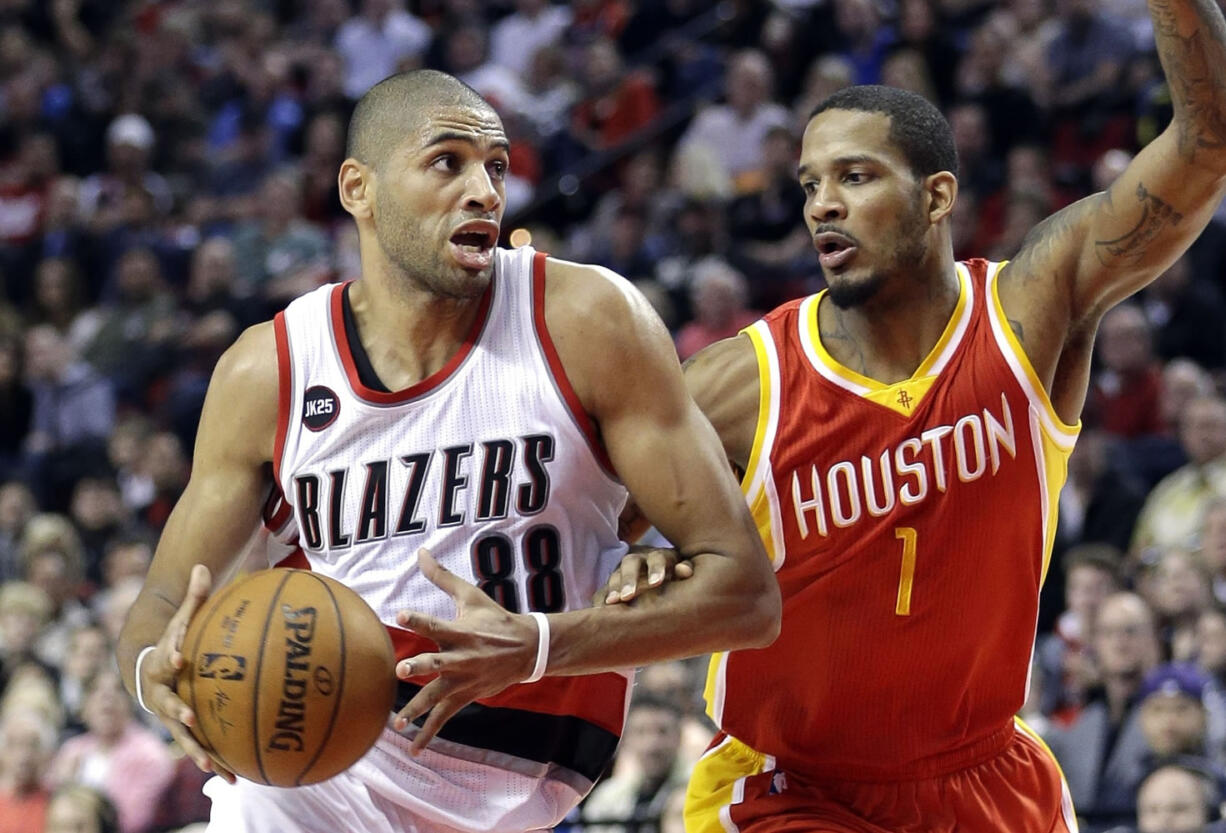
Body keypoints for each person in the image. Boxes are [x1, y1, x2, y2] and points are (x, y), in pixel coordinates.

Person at [609, 1, 1226, 828]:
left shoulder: (1026, 315)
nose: (822, 204)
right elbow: (591, 523)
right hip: (794, 788)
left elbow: (1208, 142)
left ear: (937, 196)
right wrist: (629, 565)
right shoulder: (740, 382)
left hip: (989, 773)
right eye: (810, 185)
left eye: (854, 177)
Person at [116, 69, 780, 833]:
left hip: (521, 792)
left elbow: (747, 594)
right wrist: (152, 674)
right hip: (316, 774)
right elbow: (161, 605)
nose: (486, 191)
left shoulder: (587, 319)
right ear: (357, 188)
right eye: (448, 162)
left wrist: (535, 646)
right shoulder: (269, 371)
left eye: (496, 166)